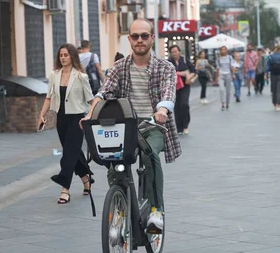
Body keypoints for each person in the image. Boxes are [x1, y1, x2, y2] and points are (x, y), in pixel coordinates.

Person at [82, 18, 180, 233]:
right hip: (125, 127)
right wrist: (90, 114)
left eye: (144, 36)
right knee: (113, 160)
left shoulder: (165, 67)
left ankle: (155, 210)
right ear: (129, 39)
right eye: (135, 36)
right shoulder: (119, 67)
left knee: (150, 155)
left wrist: (162, 110)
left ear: (152, 38)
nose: (140, 40)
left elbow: (168, 92)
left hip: (153, 125)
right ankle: (119, 207)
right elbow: (104, 92)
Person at [39, 44, 94, 204]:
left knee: (68, 154)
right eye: (61, 55)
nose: (63, 57)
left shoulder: (81, 77)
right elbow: (49, 97)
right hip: (61, 119)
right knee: (74, 153)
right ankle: (86, 178)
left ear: (72, 57)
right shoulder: (54, 75)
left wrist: (89, 116)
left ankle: (65, 188)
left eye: (66, 55)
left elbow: (92, 100)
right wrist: (41, 115)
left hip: (77, 120)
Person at [168, 45, 196, 135]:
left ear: (179, 52)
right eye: (172, 52)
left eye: (176, 51)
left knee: (184, 104)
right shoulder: (169, 62)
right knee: (176, 107)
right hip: (174, 86)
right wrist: (178, 74)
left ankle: (185, 126)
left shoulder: (184, 60)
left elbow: (193, 71)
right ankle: (179, 128)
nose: (174, 53)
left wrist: (188, 76)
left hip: (185, 85)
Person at [266, 45, 280, 111]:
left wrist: (265, 73)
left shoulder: (270, 57)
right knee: (279, 90)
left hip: (273, 74)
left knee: (274, 90)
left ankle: (274, 103)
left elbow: (267, 66)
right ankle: (278, 105)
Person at [215, 46, 234, 111]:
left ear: (226, 50)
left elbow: (232, 66)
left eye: (224, 49)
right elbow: (217, 68)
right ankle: (222, 103)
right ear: (220, 51)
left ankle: (227, 103)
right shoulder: (218, 58)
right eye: (222, 49)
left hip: (228, 74)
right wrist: (216, 77)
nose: (223, 51)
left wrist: (233, 74)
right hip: (221, 75)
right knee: (221, 89)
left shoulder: (230, 57)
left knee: (228, 91)